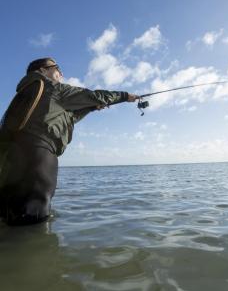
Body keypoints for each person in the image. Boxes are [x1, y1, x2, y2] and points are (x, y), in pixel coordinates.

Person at [0, 57, 138, 225]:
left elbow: (62, 116)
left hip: (8, 165)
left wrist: (90, 108)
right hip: (38, 158)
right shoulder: (53, 88)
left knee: (10, 219)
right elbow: (96, 96)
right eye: (57, 68)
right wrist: (125, 96)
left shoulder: (26, 93)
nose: (61, 73)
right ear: (42, 70)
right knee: (34, 224)